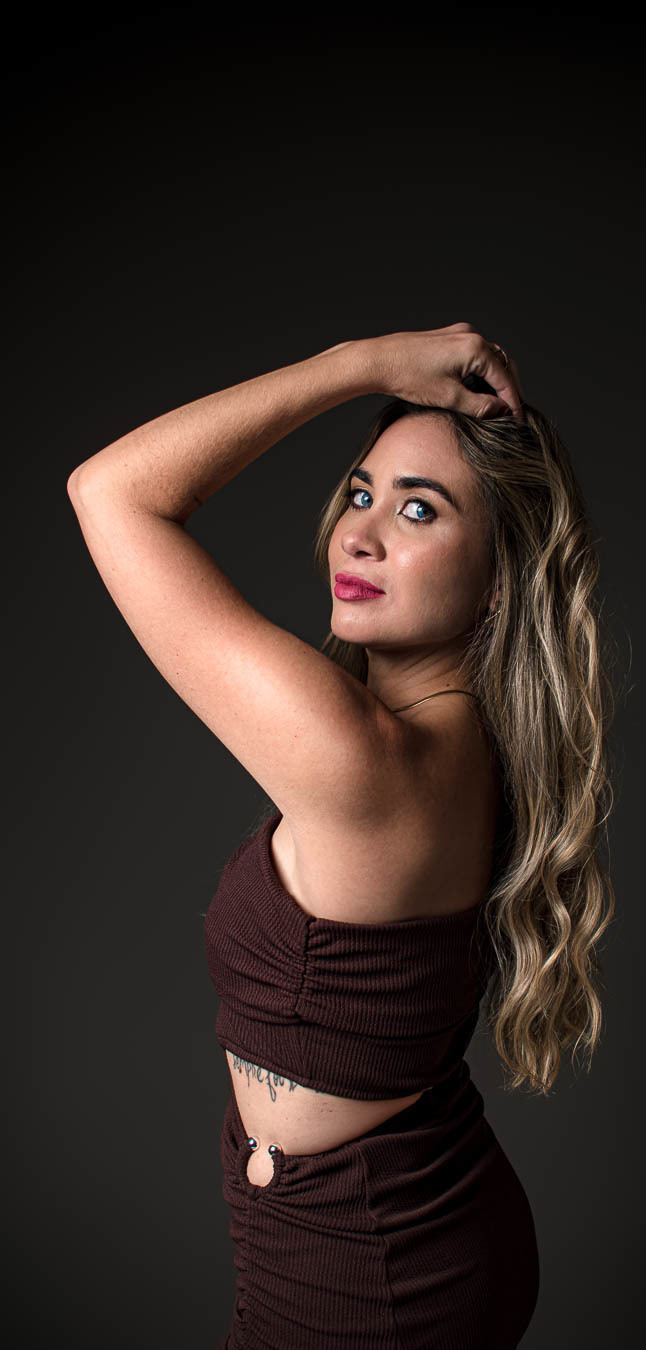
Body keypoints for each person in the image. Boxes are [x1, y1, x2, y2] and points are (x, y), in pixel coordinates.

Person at [67, 321, 616, 1348]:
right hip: (386, 1232)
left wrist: (355, 365)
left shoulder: (369, 755)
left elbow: (111, 492)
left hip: (375, 1274)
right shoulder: (452, 738)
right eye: (360, 494)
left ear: (501, 574)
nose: (359, 536)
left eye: (418, 509)